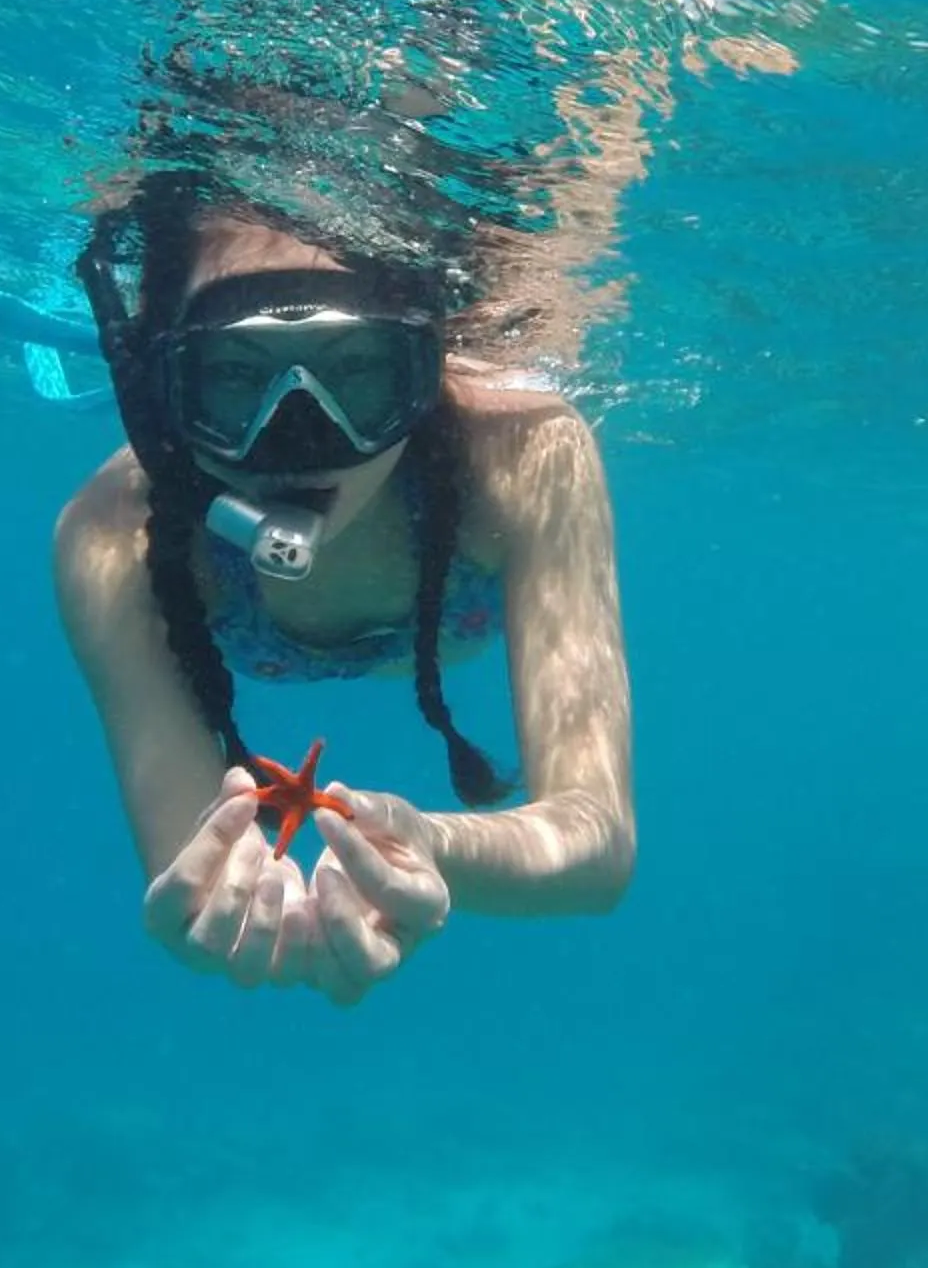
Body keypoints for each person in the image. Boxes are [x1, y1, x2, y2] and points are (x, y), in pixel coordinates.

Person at [53, 161, 634, 1005]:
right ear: (161, 390)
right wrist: (242, 918)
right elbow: (193, 872)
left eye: (359, 374)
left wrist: (432, 843)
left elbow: (598, 844)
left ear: (425, 369)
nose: (298, 438)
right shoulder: (116, 535)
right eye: (233, 376)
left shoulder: (527, 454)